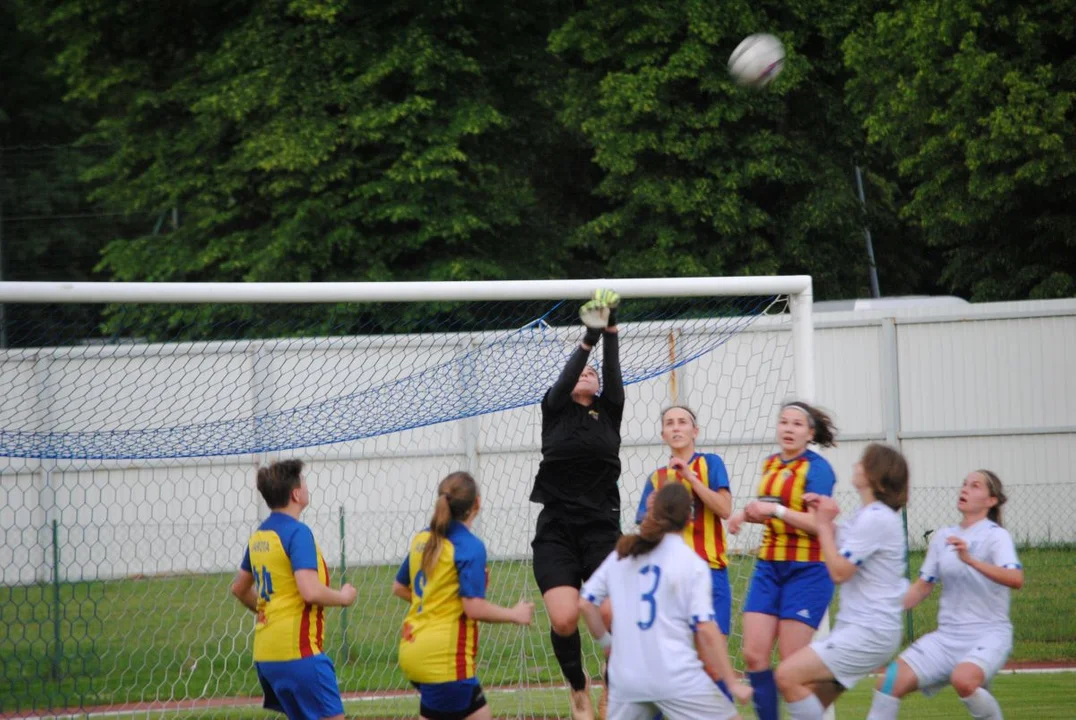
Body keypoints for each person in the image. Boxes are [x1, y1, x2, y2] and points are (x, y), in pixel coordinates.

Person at [579, 483, 753, 720]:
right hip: (674, 674)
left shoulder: (622, 553)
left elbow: (586, 603)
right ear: (690, 518)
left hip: (627, 679)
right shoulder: (691, 563)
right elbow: (705, 628)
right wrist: (732, 683)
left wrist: (608, 643)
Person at [530, 288, 623, 719]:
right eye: (580, 371)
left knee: (612, 615)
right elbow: (568, 376)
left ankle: (612, 683)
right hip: (558, 530)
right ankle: (578, 686)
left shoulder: (610, 410)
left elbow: (612, 370)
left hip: (602, 527)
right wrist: (587, 337)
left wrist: (611, 329)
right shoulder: (555, 408)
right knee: (565, 618)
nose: (587, 374)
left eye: (592, 372)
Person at [867, 470, 1023, 720]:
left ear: (991, 500)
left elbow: (1016, 579)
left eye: (975, 486)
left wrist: (970, 560)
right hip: (947, 638)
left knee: (964, 680)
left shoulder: (996, 536)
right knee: (888, 682)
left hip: (988, 633)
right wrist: (883, 608)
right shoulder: (943, 537)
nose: (965, 489)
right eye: (964, 484)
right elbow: (921, 587)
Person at [773, 443, 910, 720]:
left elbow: (838, 572)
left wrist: (822, 524)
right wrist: (778, 512)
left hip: (868, 631)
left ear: (876, 476)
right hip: (868, 630)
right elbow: (832, 533)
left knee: (786, 676)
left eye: (863, 462)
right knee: (811, 695)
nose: (856, 465)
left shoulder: (876, 518)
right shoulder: (869, 515)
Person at [726, 401, 838, 720]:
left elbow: (819, 524)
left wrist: (773, 511)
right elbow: (771, 513)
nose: (788, 429)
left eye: (797, 424)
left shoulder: (817, 469)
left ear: (810, 432)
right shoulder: (771, 465)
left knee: (792, 664)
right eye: (784, 422)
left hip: (808, 571)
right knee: (753, 654)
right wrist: (743, 516)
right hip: (769, 567)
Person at [393, 471, 535, 720]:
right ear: (477, 504)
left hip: (412, 648)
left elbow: (400, 587)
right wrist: (515, 614)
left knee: (480, 713)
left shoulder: (423, 539)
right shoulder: (469, 545)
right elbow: (473, 609)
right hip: (445, 661)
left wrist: (443, 604)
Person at [230, 459, 357, 720]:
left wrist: (269, 610)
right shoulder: (297, 533)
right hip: (299, 653)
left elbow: (240, 588)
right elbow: (309, 591)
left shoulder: (259, 536)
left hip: (267, 656)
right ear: (296, 494)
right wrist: (343, 598)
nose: (307, 487)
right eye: (304, 482)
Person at [635, 405, 734, 699]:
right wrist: (652, 515)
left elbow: (725, 509)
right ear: (663, 434)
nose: (676, 427)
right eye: (669, 423)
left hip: (710, 572)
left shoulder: (711, 464)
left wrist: (691, 479)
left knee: (713, 666)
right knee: (666, 666)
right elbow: (645, 534)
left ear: (695, 431)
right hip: (670, 581)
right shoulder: (656, 479)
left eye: (682, 422)